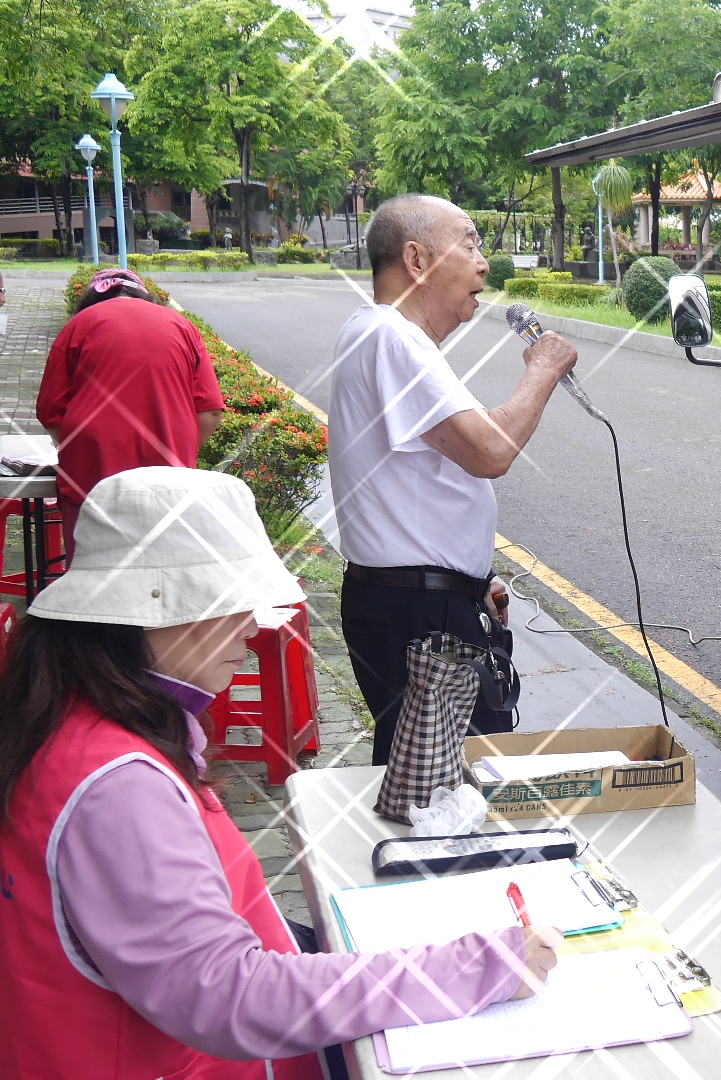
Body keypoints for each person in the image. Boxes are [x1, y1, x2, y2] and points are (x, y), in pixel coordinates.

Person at [0, 467, 561, 1077]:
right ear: (148, 609)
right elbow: (229, 993)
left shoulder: (73, 714)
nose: (251, 625)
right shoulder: (117, 787)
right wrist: (480, 967)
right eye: (227, 601)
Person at [328, 194, 578, 765]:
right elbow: (488, 450)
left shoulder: (377, 333)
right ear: (416, 260)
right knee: (452, 784)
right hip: (418, 614)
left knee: (424, 771)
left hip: (419, 601)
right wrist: (543, 369)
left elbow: (419, 472)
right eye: (469, 244)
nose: (483, 262)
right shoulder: (392, 337)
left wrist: (468, 578)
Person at [37, 267, 225, 555]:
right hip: (169, 482)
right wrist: (174, 446)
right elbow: (210, 411)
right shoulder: (182, 326)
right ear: (142, 294)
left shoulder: (78, 325)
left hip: (91, 477)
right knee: (163, 572)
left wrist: (77, 446)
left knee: (92, 573)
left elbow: (50, 410)